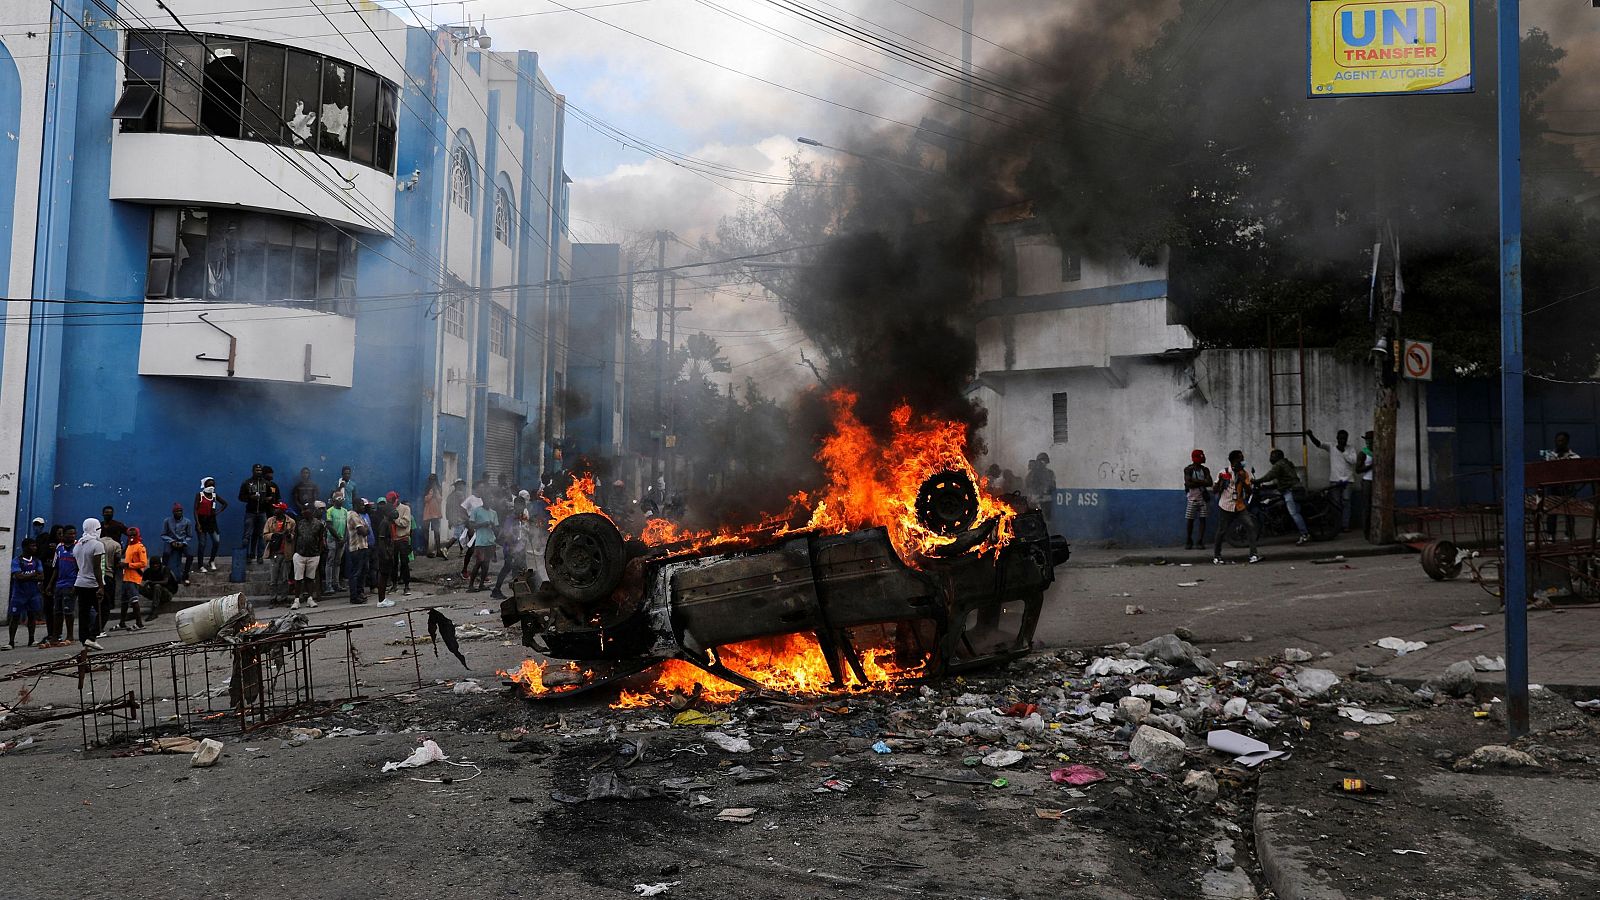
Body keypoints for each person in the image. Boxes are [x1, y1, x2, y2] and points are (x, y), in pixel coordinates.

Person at [1212, 450, 1260, 565]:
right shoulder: (1223, 472)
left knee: (1250, 526)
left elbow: (1249, 491)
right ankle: (1217, 556)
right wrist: (1220, 484)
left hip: (1239, 506)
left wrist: (1244, 481)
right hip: (1226, 506)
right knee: (1222, 531)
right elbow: (1214, 489)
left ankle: (1253, 554)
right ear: (1234, 461)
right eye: (1241, 460)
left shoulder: (1244, 474)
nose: (1243, 462)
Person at [1308, 429, 1358, 533]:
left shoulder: (1350, 448)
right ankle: (1336, 525)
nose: (1342, 440)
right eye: (1340, 438)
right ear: (1337, 438)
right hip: (1335, 480)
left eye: (1344, 438)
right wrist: (1311, 435)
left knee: (1346, 502)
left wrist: (1343, 451)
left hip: (1348, 480)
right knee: (1335, 503)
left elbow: (1353, 461)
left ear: (1347, 439)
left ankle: (1345, 525)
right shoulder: (1331, 446)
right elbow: (1319, 444)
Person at [1256, 448, 1310, 545]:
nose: (1271, 458)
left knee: (1294, 513)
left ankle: (1304, 534)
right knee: (1296, 512)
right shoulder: (1286, 463)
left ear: (1278, 456)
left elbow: (1269, 476)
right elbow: (1282, 481)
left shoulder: (1279, 464)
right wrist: (1266, 486)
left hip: (1291, 490)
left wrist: (1257, 481)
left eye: (1273, 456)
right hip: (1296, 489)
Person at [1540, 431, 1582, 541]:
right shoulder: (1550, 456)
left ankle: (1568, 535)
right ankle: (1550, 535)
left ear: (1567, 442)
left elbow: (1577, 471)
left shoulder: (1574, 457)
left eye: (1562, 441)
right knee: (1552, 512)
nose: (1560, 443)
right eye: (1558, 441)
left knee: (1569, 512)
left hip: (1568, 488)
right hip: (1553, 487)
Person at [73, 518, 107, 651]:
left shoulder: (78, 545)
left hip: (80, 582)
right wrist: (101, 586)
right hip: (92, 583)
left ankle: (84, 640)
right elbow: (97, 567)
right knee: (104, 609)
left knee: (84, 613)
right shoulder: (97, 545)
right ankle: (92, 637)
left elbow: (77, 565)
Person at [290, 501, 327, 610]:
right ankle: (296, 600)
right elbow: (295, 538)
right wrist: (294, 553)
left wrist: (318, 553)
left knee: (310, 578)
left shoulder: (319, 524)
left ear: (312, 511)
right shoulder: (299, 523)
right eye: (303, 510)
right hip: (300, 555)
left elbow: (321, 539)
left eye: (306, 510)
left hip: (313, 555)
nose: (304, 512)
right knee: (298, 578)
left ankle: (310, 599)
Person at [8, 539, 44, 649]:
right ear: (25, 547)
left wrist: (26, 576)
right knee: (15, 617)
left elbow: (41, 577)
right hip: (19, 594)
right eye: (32, 546)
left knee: (32, 616)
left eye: (35, 546)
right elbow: (18, 576)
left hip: (33, 593)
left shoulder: (37, 561)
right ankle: (11, 642)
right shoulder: (17, 560)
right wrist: (33, 574)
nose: (35, 548)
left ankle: (31, 639)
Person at [46, 525, 78, 647]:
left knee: (68, 611)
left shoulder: (77, 547)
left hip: (71, 583)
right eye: (69, 534)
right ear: (63, 535)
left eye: (74, 534)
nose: (72, 536)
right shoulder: (59, 548)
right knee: (57, 611)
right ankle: (56, 636)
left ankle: (70, 636)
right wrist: (50, 585)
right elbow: (56, 567)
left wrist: (76, 584)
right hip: (59, 584)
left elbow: (80, 567)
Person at [490, 508, 530, 600]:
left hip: (519, 548)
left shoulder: (520, 518)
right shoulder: (510, 519)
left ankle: (519, 592)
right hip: (510, 548)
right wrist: (512, 548)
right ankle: (496, 590)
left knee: (519, 568)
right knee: (507, 567)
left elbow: (522, 531)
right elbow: (507, 535)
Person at [262, 502, 295, 603]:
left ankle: (284, 598)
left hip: (286, 553)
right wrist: (276, 535)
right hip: (274, 553)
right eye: (275, 508)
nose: (275, 510)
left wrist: (288, 535)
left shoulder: (291, 522)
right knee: (273, 578)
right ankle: (273, 598)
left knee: (285, 578)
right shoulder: (270, 521)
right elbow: (265, 535)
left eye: (277, 509)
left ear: (283, 510)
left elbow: (294, 537)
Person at [239, 464, 273, 562]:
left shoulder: (266, 483)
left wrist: (265, 499)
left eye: (260, 470)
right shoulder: (247, 483)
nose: (258, 472)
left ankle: (260, 556)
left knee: (261, 535)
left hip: (262, 512)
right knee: (247, 535)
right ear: (253, 471)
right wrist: (250, 498)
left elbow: (270, 496)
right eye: (256, 470)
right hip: (250, 512)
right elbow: (240, 497)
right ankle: (246, 555)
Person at [466, 499, 500, 592]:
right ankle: (471, 586)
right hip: (480, 541)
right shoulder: (476, 511)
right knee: (479, 562)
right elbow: (471, 525)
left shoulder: (494, 513)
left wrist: (493, 526)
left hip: (490, 541)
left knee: (486, 564)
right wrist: (482, 524)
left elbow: (496, 529)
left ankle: (481, 584)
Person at [193, 477, 227, 571]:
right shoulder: (199, 495)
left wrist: (217, 512)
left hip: (212, 522)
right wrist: (198, 524)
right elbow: (195, 510)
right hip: (201, 521)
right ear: (204, 485)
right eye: (209, 485)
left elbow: (225, 504)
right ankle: (200, 565)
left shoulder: (214, 495)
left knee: (216, 541)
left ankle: (211, 560)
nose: (211, 487)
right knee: (202, 544)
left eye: (213, 485)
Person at [98, 518, 125, 632]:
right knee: (106, 604)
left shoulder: (96, 543)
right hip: (108, 575)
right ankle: (100, 628)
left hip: (95, 576)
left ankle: (95, 627)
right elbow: (117, 560)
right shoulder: (116, 545)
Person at [1183, 450, 1214, 550]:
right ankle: (1189, 540)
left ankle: (1199, 541)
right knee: (1190, 520)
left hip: (1202, 498)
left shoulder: (1205, 470)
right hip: (1192, 498)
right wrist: (1202, 482)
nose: (1204, 457)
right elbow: (1188, 484)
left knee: (1202, 519)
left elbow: (1210, 483)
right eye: (1202, 456)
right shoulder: (1188, 469)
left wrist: (1195, 481)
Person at [160, 503, 197, 585]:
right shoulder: (167, 521)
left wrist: (183, 543)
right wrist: (171, 541)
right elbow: (163, 535)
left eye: (180, 511)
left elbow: (189, 536)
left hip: (182, 542)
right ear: (173, 512)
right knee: (166, 553)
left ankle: (185, 575)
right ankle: (163, 573)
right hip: (171, 542)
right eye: (177, 511)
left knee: (190, 556)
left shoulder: (187, 522)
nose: (179, 513)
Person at [345, 500, 373, 605]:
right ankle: (354, 596)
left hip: (363, 546)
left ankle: (360, 593)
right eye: (361, 505)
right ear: (355, 505)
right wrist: (365, 529)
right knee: (356, 573)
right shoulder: (353, 515)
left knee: (363, 571)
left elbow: (368, 530)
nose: (363, 507)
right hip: (357, 548)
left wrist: (365, 529)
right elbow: (363, 531)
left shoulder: (360, 516)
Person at [120, 527, 149, 628]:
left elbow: (143, 563)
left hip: (133, 577)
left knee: (134, 600)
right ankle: (122, 623)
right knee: (124, 601)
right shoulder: (129, 546)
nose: (131, 537)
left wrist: (128, 565)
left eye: (134, 535)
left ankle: (139, 623)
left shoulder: (140, 547)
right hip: (126, 577)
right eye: (129, 535)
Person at [370, 497, 396, 607]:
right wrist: (385, 554)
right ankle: (381, 600)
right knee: (383, 576)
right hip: (384, 554)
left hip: (387, 553)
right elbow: (381, 540)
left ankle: (383, 598)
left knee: (385, 576)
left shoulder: (388, 523)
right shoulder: (384, 523)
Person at [387, 491, 414, 597]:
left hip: (403, 538)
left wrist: (395, 519)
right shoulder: (390, 509)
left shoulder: (405, 509)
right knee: (393, 564)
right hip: (393, 539)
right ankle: (394, 585)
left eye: (392, 501)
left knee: (404, 563)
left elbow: (405, 523)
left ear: (396, 499)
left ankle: (407, 586)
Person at [324, 492, 349, 595]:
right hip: (333, 540)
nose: (341, 500)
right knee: (330, 562)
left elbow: (347, 526)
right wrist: (338, 538)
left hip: (342, 540)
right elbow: (329, 526)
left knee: (338, 562)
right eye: (339, 498)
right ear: (334, 500)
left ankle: (336, 584)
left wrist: (344, 538)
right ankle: (328, 585)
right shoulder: (329, 511)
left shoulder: (345, 511)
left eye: (342, 498)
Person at [139, 556, 179, 620]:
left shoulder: (165, 569)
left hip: (167, 595)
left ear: (160, 564)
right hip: (154, 594)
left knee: (157, 586)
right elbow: (141, 580)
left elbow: (165, 581)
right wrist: (145, 584)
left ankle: (154, 612)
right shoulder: (148, 571)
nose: (155, 566)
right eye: (153, 564)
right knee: (136, 587)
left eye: (157, 564)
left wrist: (152, 582)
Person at [1356, 432, 1376, 539]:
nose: (1369, 442)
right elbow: (1358, 470)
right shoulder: (1363, 453)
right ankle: (1366, 532)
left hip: (1377, 482)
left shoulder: (1379, 451)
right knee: (1367, 508)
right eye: (1368, 440)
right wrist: (1371, 466)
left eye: (1371, 440)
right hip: (1367, 481)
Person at [421, 474, 445, 558]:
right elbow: (425, 499)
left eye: (433, 480)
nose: (432, 482)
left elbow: (440, 500)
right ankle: (426, 550)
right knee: (425, 531)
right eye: (431, 480)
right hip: (427, 512)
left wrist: (436, 492)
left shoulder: (438, 488)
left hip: (436, 513)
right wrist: (431, 493)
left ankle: (438, 550)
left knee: (436, 532)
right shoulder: (427, 488)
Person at [444, 478, 468, 554]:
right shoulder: (460, 494)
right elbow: (464, 506)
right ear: (458, 485)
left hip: (454, 518)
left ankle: (461, 551)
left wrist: (448, 519)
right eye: (461, 484)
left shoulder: (450, 495)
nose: (462, 486)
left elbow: (447, 508)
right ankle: (445, 548)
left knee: (461, 534)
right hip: (460, 518)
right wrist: (467, 515)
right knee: (457, 535)